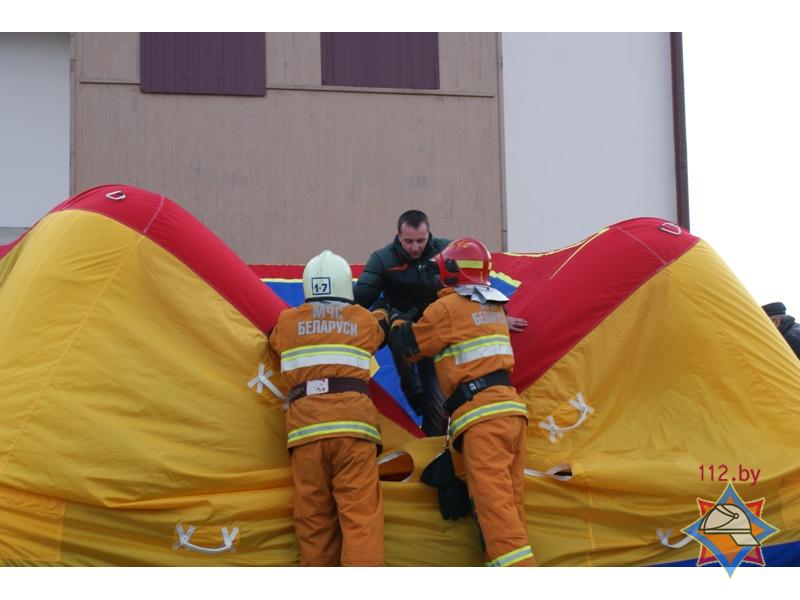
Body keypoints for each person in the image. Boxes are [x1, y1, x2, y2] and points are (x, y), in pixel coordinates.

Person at [388, 237, 537, 567]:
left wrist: (397, 319)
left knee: (496, 514)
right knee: (509, 508)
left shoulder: (446, 309)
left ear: (448, 271)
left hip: (482, 419)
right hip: (510, 414)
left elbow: (410, 348)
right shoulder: (495, 305)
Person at [354, 210, 528, 436]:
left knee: (434, 394)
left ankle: (432, 439)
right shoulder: (382, 259)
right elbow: (360, 299)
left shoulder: (448, 252)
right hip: (403, 322)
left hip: (439, 325)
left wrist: (501, 314)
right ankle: (417, 408)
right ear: (398, 236)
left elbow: (476, 283)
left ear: (429, 235)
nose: (415, 247)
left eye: (420, 240)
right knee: (408, 371)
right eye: (408, 241)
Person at [268, 250, 389, 566]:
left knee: (314, 524)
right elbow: (381, 331)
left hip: (306, 432)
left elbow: (273, 341)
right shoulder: (362, 319)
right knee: (361, 520)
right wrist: (388, 313)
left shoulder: (288, 322)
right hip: (354, 430)